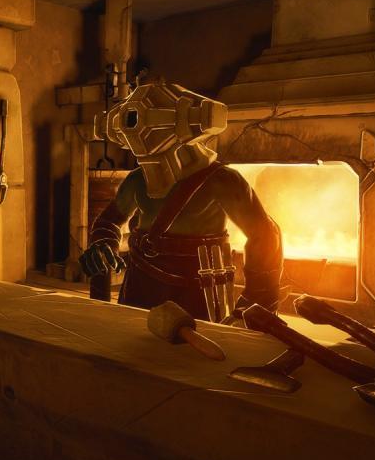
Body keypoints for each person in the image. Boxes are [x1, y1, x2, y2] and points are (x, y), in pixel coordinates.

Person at [79, 81, 283, 320]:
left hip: (198, 289)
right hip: (141, 282)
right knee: (131, 336)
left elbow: (264, 235)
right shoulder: (138, 180)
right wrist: (103, 244)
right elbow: (110, 221)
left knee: (198, 343)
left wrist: (256, 300)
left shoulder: (222, 180)